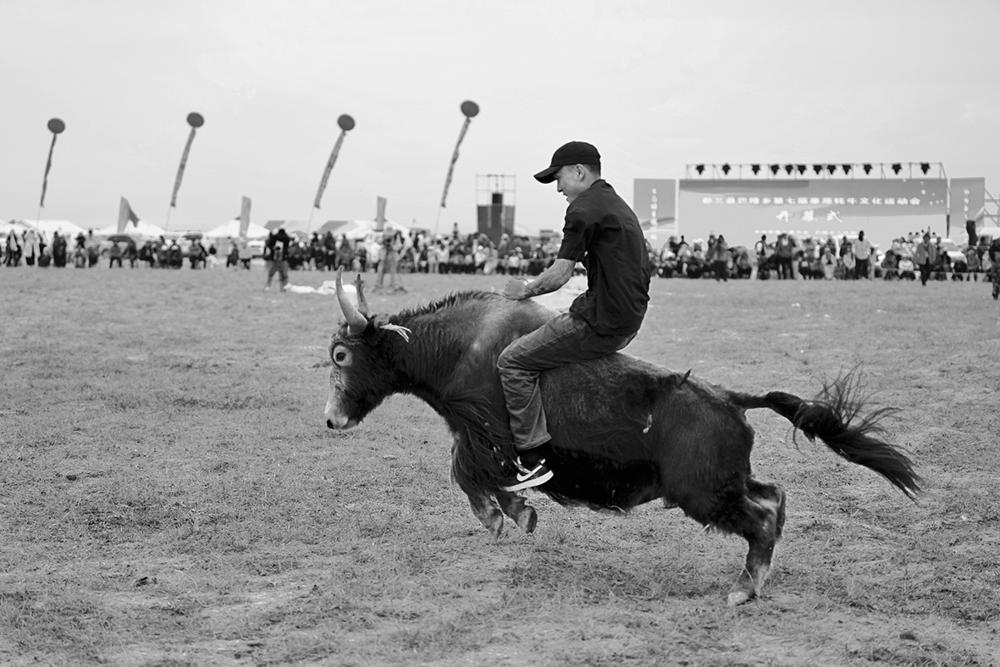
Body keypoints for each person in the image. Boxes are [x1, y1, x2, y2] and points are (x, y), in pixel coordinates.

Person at [497, 141, 651, 491]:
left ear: (579, 171)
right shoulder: (613, 202)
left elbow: (560, 274)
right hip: (628, 317)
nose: (558, 188)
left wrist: (525, 289)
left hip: (602, 321)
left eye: (559, 178)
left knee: (513, 362)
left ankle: (532, 459)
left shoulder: (583, 208)